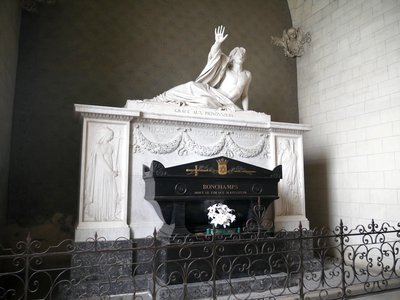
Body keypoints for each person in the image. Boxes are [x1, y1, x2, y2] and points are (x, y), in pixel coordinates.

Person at [139, 26, 252, 111]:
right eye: (238, 53)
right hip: (215, 94)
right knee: (191, 86)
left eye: (242, 54)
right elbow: (215, 57)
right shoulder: (226, 68)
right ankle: (159, 99)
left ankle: (176, 102)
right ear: (232, 57)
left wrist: (246, 113)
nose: (241, 55)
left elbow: (244, 95)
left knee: (205, 102)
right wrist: (217, 43)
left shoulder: (247, 75)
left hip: (226, 104)